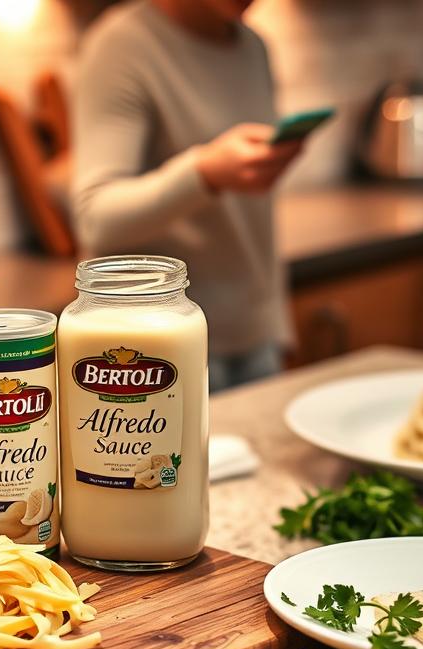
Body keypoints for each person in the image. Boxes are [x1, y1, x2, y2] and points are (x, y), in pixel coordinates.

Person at [72, 0, 305, 391]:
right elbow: (96, 216)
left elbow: (252, 218)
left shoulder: (254, 46)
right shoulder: (121, 46)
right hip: (158, 347)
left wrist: (275, 322)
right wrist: (205, 171)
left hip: (254, 343)